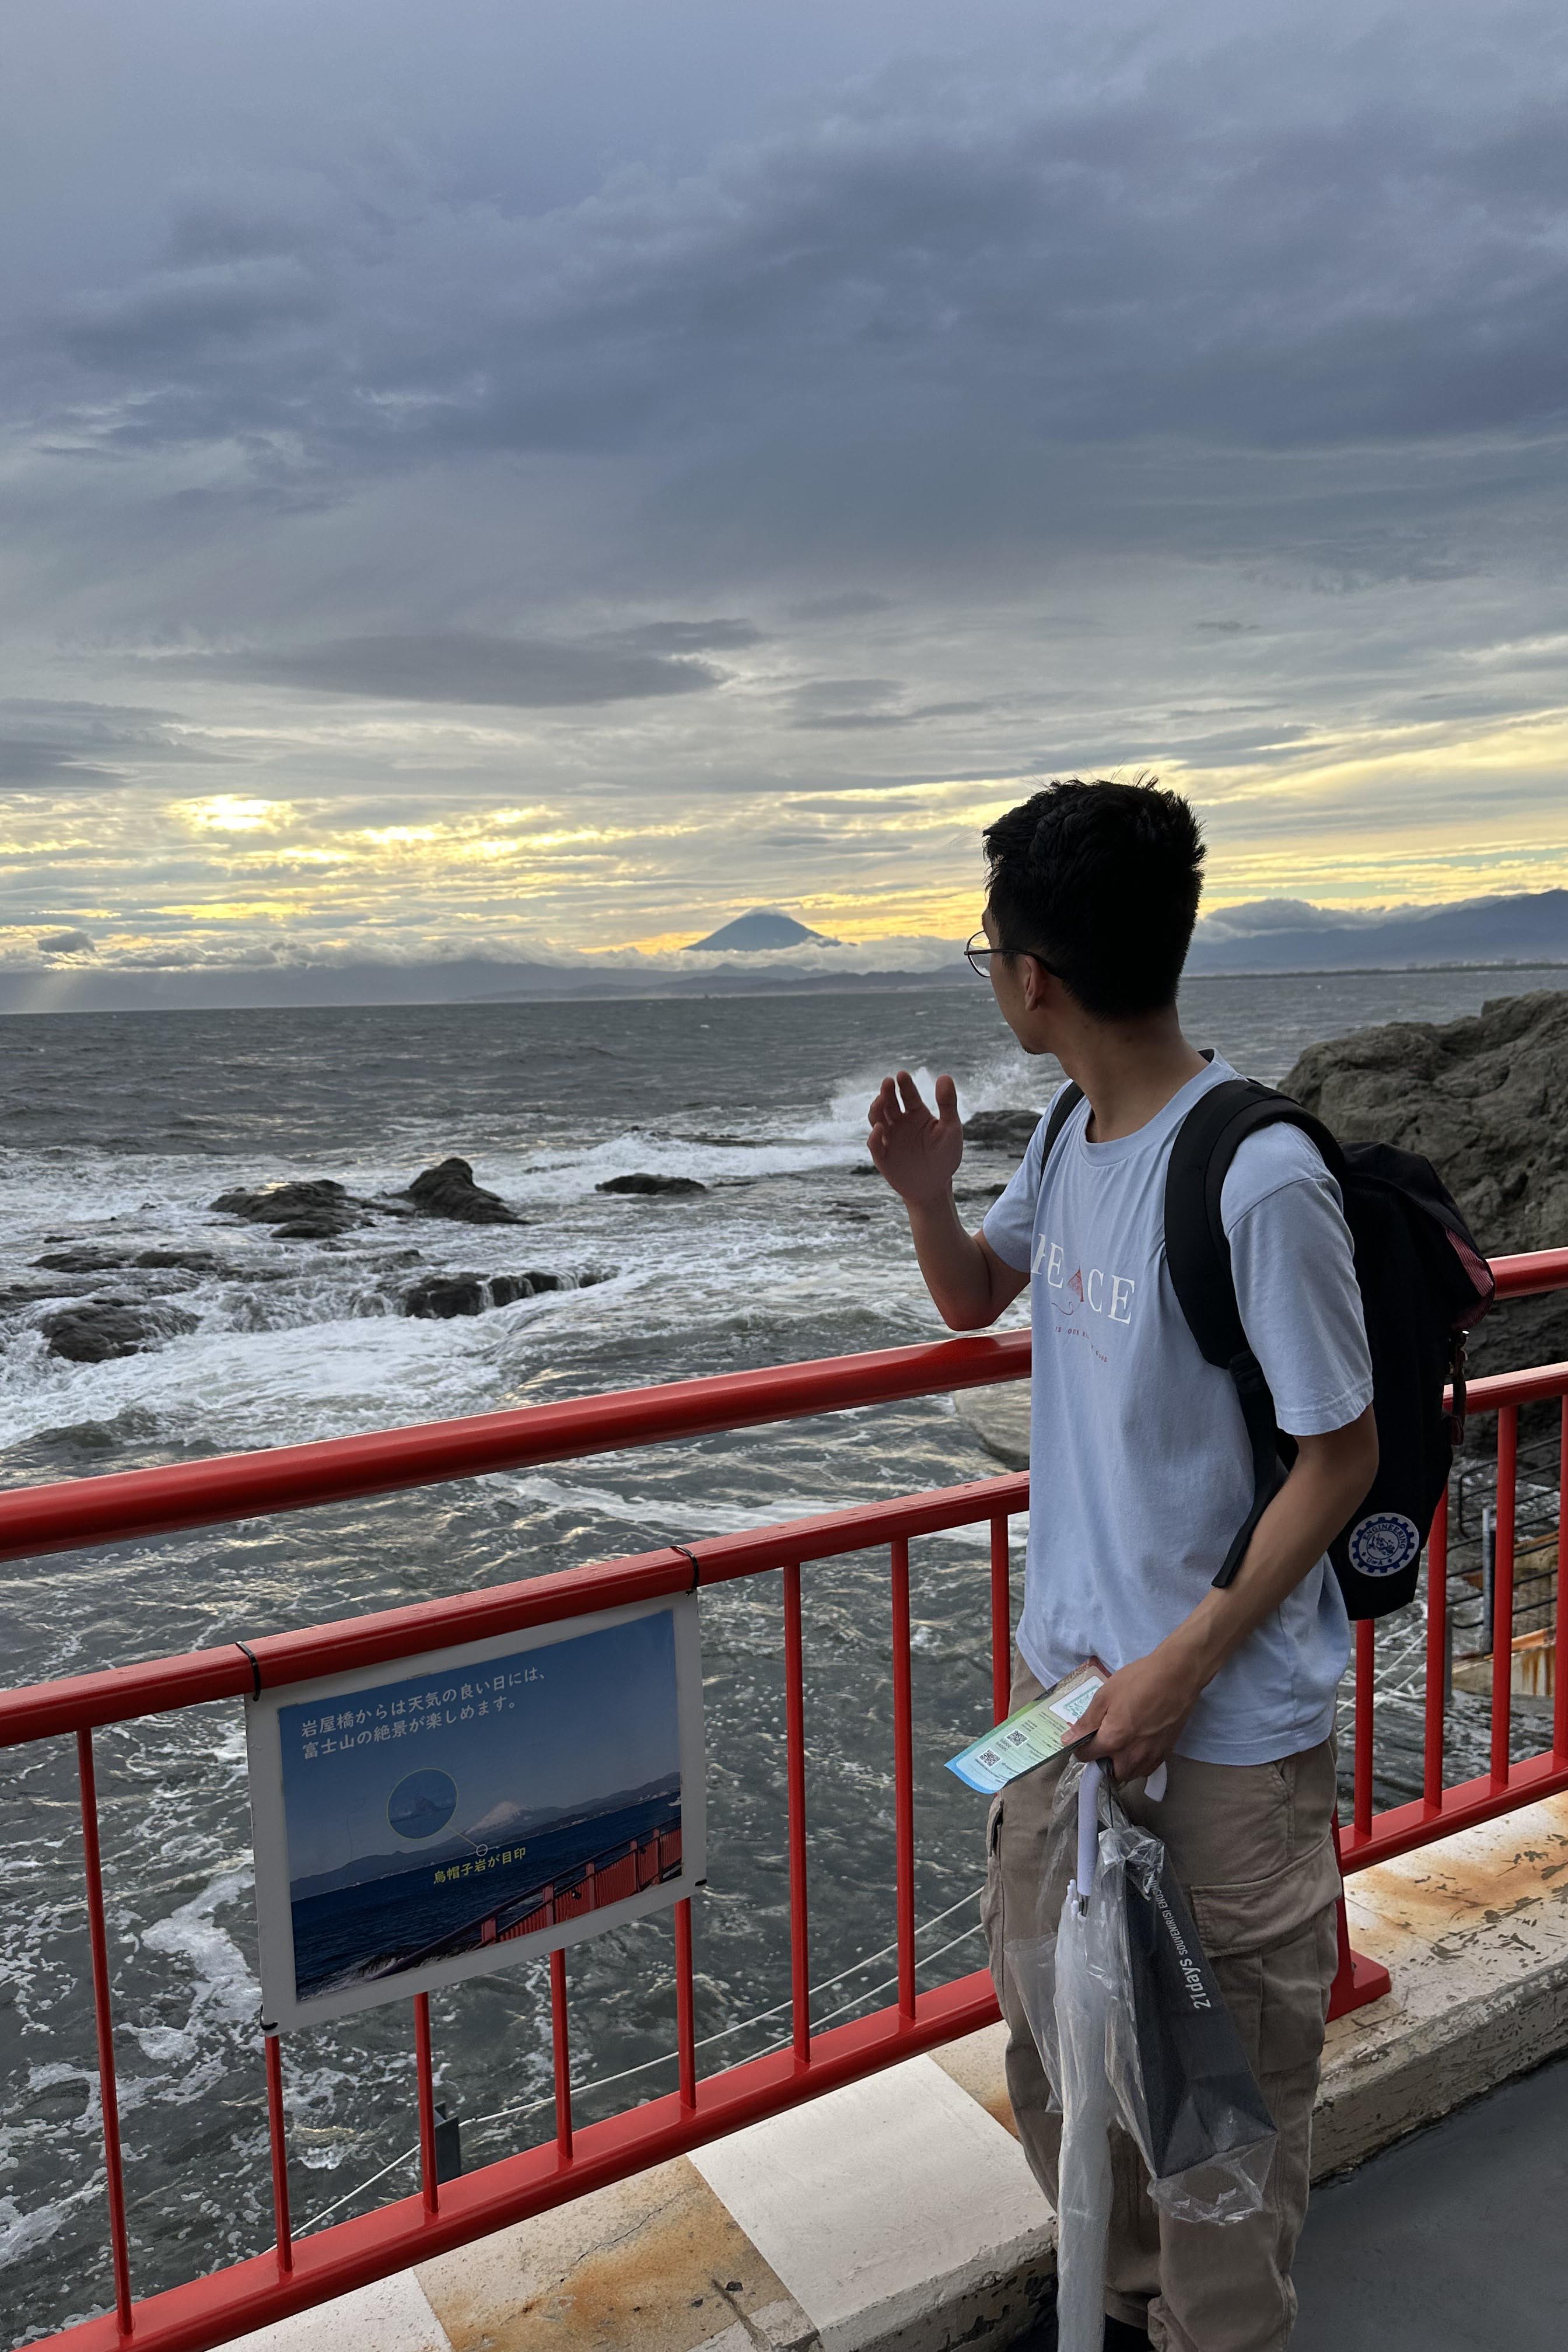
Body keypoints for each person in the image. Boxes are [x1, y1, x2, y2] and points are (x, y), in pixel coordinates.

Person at [867, 779, 1377, 2352]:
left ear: (1036, 978)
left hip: (1221, 1742)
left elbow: (1341, 1455)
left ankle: (1209, 2333)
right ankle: (1125, 2304)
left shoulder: (1257, 1175)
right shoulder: (1072, 1134)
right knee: (1060, 2057)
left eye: (990, 952)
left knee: (1220, 2121)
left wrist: (1183, 1664)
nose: (994, 979)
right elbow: (976, 1299)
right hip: (1067, 1715)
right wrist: (930, 1200)